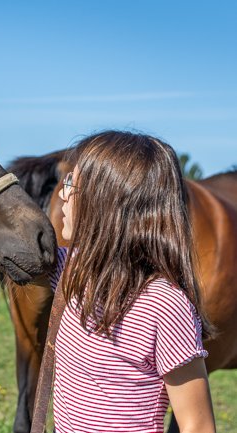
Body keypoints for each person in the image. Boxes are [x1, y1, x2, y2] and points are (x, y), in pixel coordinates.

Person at [49, 130, 215, 432]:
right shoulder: (69, 269)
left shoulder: (165, 304)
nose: (62, 193)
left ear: (107, 202)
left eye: (71, 183)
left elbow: (197, 425)